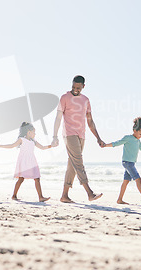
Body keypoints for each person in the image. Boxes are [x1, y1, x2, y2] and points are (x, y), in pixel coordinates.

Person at [51, 75, 103, 203]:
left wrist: (98, 137)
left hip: (82, 135)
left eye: (78, 88)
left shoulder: (86, 100)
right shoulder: (64, 98)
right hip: (69, 134)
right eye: (73, 87)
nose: (75, 90)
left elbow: (90, 121)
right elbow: (58, 117)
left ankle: (64, 195)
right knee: (78, 162)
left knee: (73, 165)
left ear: (83, 87)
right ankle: (89, 192)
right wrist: (55, 136)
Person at [103, 117, 141, 205]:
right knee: (138, 180)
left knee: (126, 181)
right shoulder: (128, 138)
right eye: (140, 134)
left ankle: (119, 199)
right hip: (127, 163)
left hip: (131, 163)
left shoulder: (137, 141)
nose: (140, 136)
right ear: (134, 130)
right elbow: (117, 143)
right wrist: (105, 145)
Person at [0, 122, 54, 202]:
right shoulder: (22, 140)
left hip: (32, 161)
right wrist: (0, 145)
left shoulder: (33, 141)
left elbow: (42, 147)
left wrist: (51, 146)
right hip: (24, 161)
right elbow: (12, 145)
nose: (35, 134)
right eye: (34, 132)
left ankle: (41, 197)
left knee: (37, 178)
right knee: (21, 179)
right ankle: (14, 195)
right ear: (29, 132)